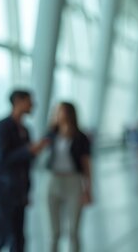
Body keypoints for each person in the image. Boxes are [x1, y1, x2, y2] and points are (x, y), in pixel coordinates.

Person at [0, 89, 50, 252]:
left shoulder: (24, 129)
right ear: (18, 102)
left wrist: (27, 191)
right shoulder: (1, 127)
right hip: (2, 194)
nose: (33, 105)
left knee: (18, 239)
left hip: (18, 194)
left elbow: (25, 164)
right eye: (29, 101)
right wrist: (28, 150)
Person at [45, 102, 92, 252]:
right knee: (55, 232)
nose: (57, 114)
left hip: (73, 182)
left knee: (73, 231)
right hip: (54, 181)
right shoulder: (51, 135)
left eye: (60, 111)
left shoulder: (81, 137)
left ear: (69, 113)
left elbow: (86, 165)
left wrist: (88, 190)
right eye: (56, 111)